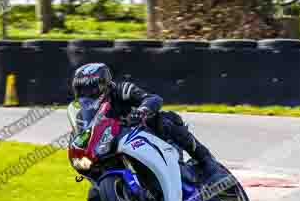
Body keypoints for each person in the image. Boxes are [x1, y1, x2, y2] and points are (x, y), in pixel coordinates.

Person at [70, 62, 222, 179]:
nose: (86, 94)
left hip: (146, 137)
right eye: (81, 90)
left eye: (90, 89)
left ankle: (206, 160)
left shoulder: (121, 91)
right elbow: (81, 139)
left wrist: (141, 112)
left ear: (104, 84)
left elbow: (153, 99)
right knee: (94, 197)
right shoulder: (81, 117)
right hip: (113, 151)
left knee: (165, 119)